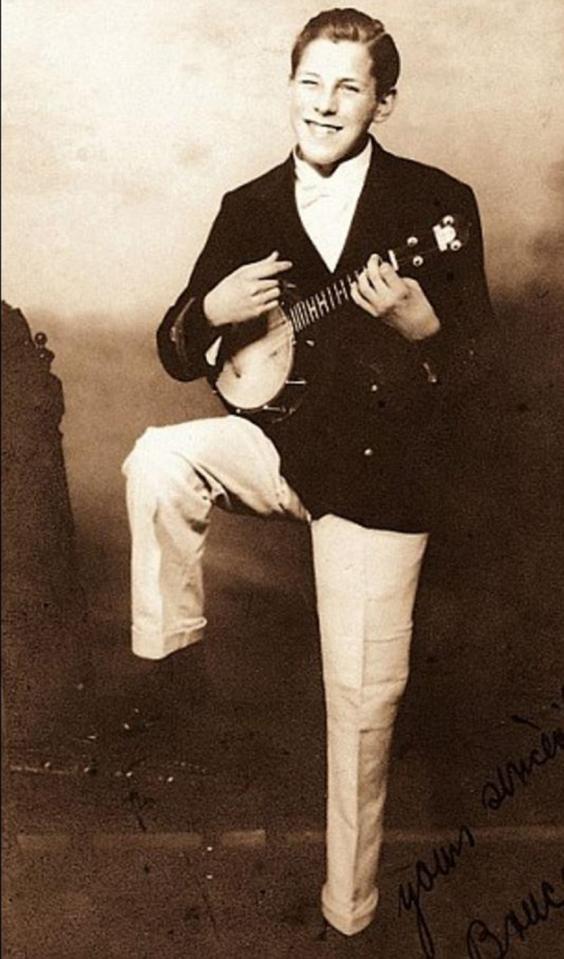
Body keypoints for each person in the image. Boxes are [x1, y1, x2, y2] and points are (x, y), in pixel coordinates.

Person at [122, 7, 493, 938]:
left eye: (349, 87)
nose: (325, 105)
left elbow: (493, 370)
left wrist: (427, 330)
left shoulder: (437, 204)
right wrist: (211, 305)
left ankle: (350, 910)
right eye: (310, 83)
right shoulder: (247, 206)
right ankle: (172, 653)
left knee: (361, 705)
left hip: (379, 478)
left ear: (384, 102)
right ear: (290, 88)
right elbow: (177, 349)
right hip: (280, 451)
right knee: (157, 455)